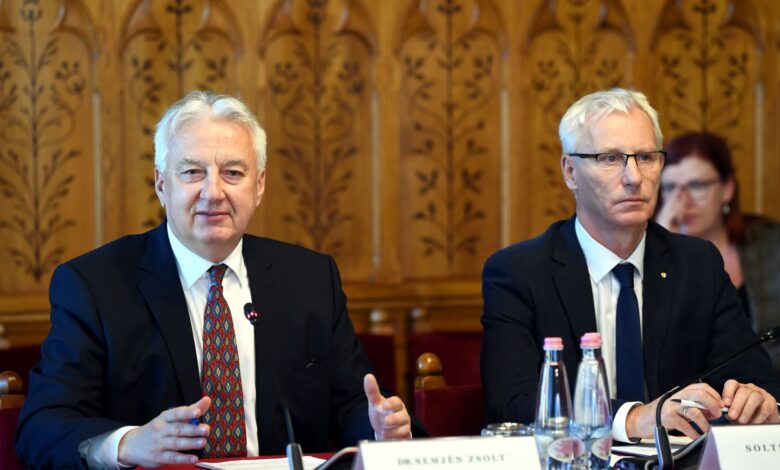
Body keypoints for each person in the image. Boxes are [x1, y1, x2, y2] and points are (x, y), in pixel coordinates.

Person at [15, 91, 415, 468]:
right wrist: (129, 442)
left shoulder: (310, 280)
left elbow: (354, 407)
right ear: (161, 184)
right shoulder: (94, 286)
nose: (213, 192)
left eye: (232, 173)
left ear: (259, 186)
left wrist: (381, 433)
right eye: (192, 172)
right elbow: (42, 427)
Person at [481, 88, 780, 444]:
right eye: (610, 158)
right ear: (570, 172)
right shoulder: (519, 273)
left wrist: (759, 401)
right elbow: (513, 401)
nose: (634, 177)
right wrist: (633, 418)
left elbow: (757, 380)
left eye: (646, 157)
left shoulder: (697, 264)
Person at [656, 132, 780, 371]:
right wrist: (660, 246)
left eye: (696, 186)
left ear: (727, 189)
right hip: (691, 391)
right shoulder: (648, 255)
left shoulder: (770, 245)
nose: (682, 202)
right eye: (670, 188)